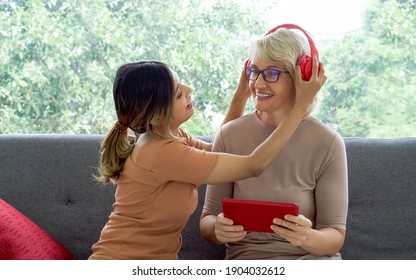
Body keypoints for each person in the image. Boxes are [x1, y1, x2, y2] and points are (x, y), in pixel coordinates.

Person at [88, 58, 326, 260]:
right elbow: (253, 165)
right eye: (179, 93)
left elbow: (219, 150)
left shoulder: (170, 137)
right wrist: (300, 107)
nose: (189, 90)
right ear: (157, 112)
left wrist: (243, 92)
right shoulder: (162, 152)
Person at [200, 26, 348, 260]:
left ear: (303, 77)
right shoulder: (229, 135)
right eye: (254, 71)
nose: (258, 85)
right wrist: (217, 229)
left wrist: (307, 237)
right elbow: (208, 219)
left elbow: (334, 235)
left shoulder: (327, 142)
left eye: (271, 73)